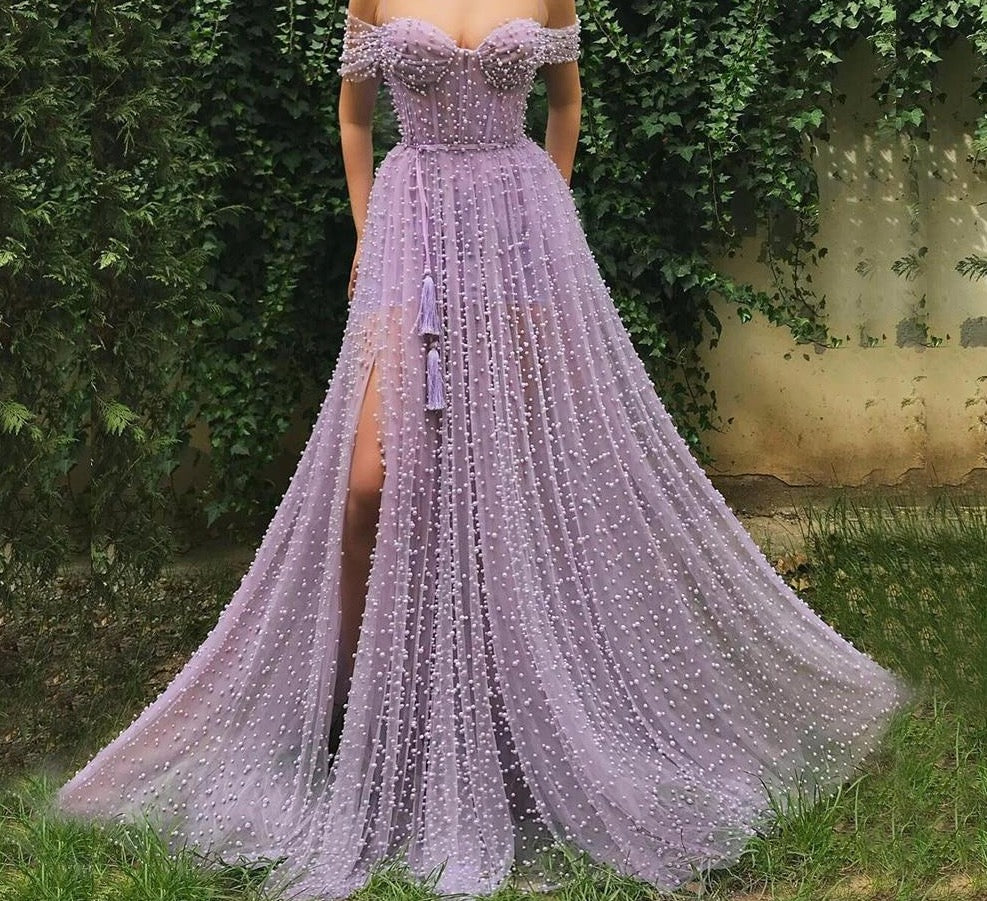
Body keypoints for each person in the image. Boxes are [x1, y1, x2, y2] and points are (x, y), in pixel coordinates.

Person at [55, 1, 919, 898]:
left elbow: (566, 103)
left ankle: (519, 704)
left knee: (513, 478)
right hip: (415, 229)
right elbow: (354, 117)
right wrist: (367, 236)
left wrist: (548, 225)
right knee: (369, 486)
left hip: (518, 235)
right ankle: (351, 708)